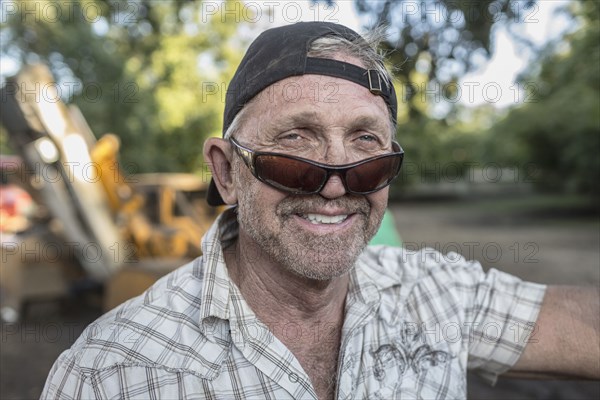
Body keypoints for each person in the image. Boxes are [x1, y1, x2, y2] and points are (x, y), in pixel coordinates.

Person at [42, 21, 599, 400]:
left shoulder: (435, 294)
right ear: (226, 171)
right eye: (297, 142)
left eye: (366, 146)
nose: (337, 185)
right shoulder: (109, 372)